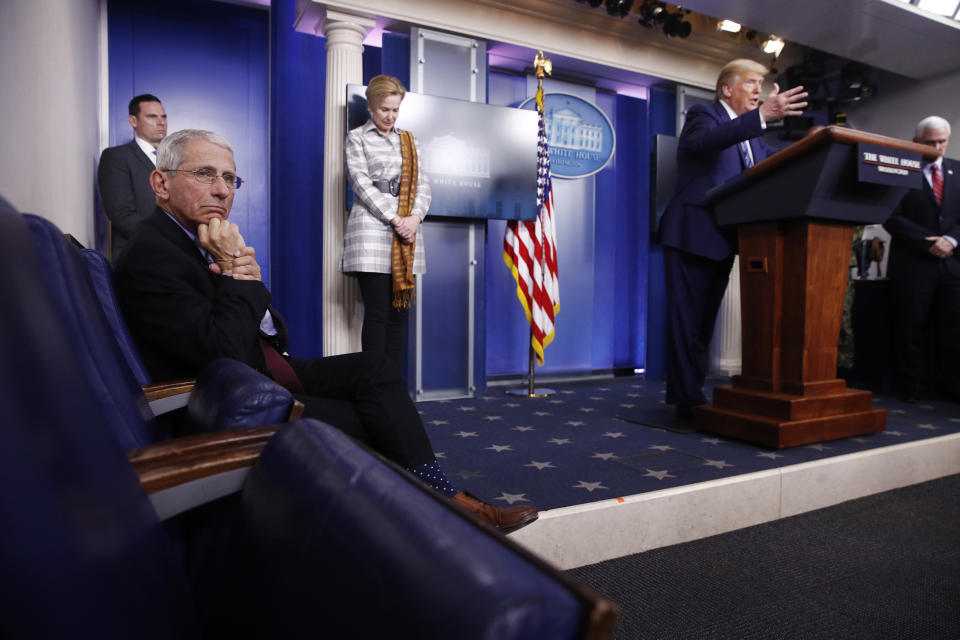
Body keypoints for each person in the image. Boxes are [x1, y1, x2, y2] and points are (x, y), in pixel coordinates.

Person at [114, 129, 536, 533]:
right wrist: (237, 278)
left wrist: (243, 276)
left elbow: (273, 336)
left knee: (376, 368)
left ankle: (442, 504)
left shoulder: (197, 239)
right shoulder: (152, 253)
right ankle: (446, 508)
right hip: (228, 396)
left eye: (230, 178)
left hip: (262, 367)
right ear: (161, 183)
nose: (223, 190)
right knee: (381, 421)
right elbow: (220, 351)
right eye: (205, 174)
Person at [658, 59, 807, 421]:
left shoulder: (753, 134)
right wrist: (761, 117)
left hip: (725, 237)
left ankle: (692, 391)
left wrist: (812, 146)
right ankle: (685, 400)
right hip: (691, 234)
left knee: (703, 324)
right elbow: (707, 142)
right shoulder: (703, 114)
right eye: (751, 83)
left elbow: (772, 160)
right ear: (727, 89)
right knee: (686, 322)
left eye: (761, 83)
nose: (758, 89)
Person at [342, 75, 430, 371]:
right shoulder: (357, 138)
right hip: (371, 230)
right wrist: (395, 218)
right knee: (377, 313)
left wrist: (414, 219)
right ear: (371, 107)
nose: (390, 116)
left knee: (400, 314)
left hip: (407, 233)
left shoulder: (409, 139)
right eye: (385, 110)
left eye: (395, 110)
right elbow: (360, 183)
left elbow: (423, 184)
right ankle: (374, 384)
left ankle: (393, 386)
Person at [883, 115, 960, 403]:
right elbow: (890, 215)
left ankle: (951, 386)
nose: (938, 147)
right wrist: (927, 242)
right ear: (916, 142)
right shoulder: (898, 170)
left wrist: (951, 240)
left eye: (942, 141)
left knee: (954, 328)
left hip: (952, 265)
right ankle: (913, 388)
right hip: (913, 264)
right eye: (931, 142)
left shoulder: (958, 170)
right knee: (910, 328)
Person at [98, 94, 168, 263]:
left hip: (173, 261)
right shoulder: (116, 157)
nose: (161, 122)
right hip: (137, 258)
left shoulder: (174, 161)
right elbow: (122, 216)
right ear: (133, 121)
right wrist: (169, 242)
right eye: (152, 116)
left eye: (163, 116)